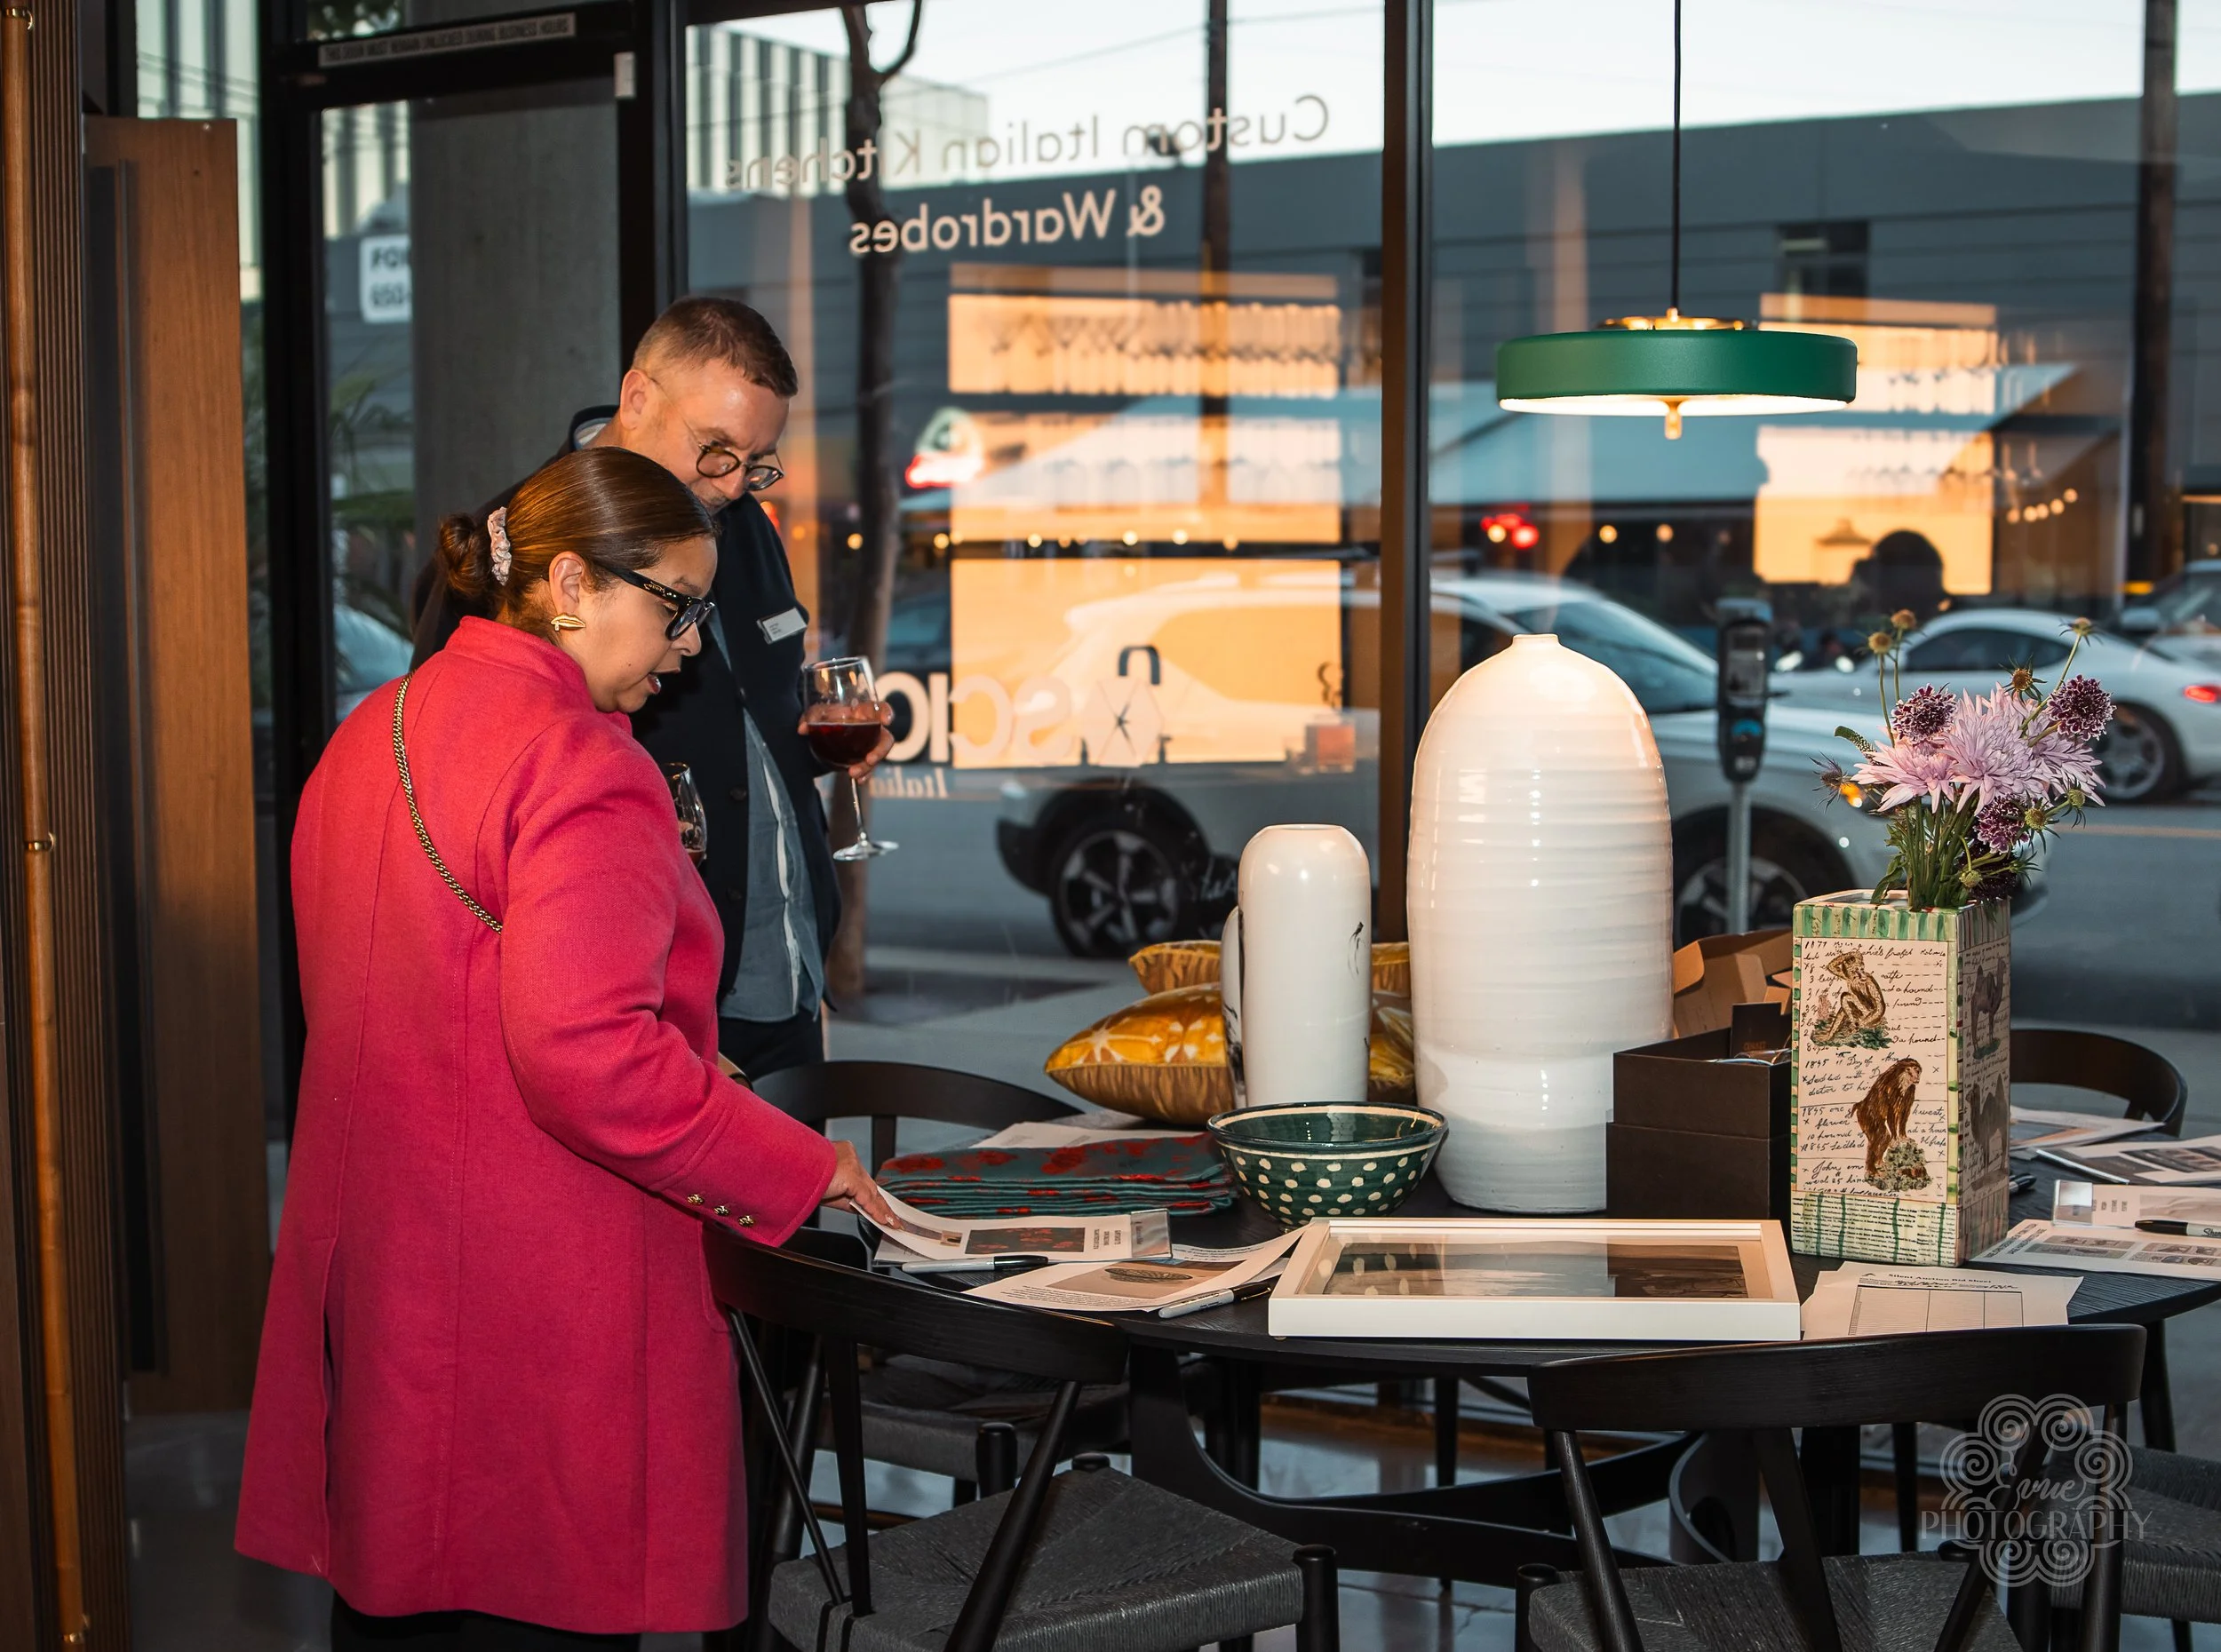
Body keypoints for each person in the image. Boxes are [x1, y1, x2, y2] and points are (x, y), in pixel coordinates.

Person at [240, 445, 892, 1648]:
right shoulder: (585, 762)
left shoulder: (369, 729)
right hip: (544, 1313)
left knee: (399, 1614)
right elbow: (587, 1057)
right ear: (572, 585)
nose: (691, 646)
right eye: (676, 609)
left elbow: (413, 993)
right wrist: (800, 1166)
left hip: (390, 1289)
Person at [410, 296, 890, 1081]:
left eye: (757, 461)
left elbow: (751, 710)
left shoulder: (743, 522)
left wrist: (823, 729)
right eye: (716, 450)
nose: (736, 483)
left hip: (787, 974)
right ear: (636, 399)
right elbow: (456, 780)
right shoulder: (521, 543)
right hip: (654, 1004)